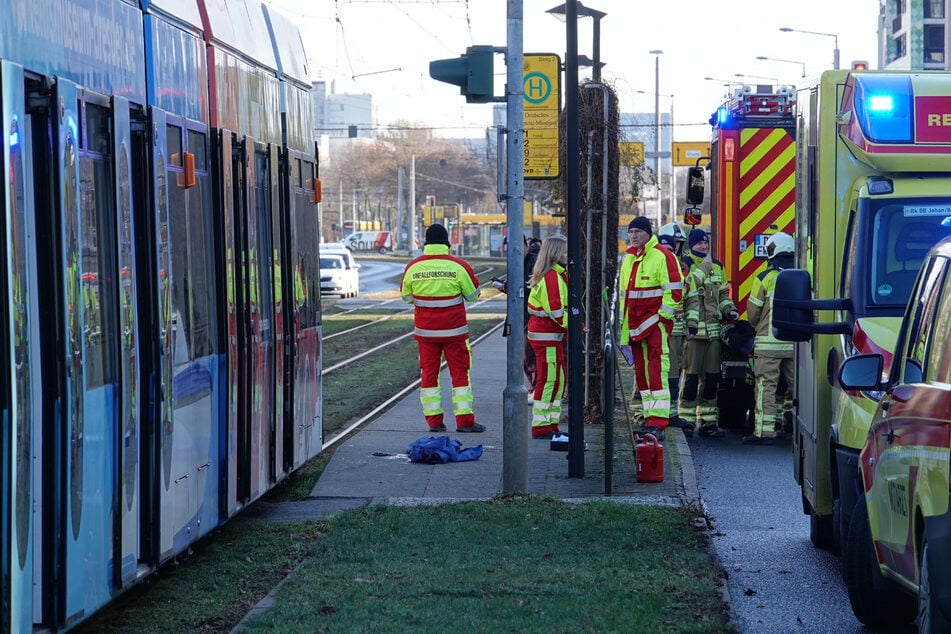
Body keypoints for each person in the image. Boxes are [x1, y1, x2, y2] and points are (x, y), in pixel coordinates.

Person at [401, 223, 484, 433]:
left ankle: (434, 422)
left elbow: (406, 297)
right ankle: (465, 421)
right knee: (460, 375)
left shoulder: (413, 267)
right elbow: (473, 295)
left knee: (429, 375)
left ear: (426, 243)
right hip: (455, 332)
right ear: (447, 242)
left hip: (425, 333)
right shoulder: (459, 266)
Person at [618, 217, 684, 441]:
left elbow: (675, 292)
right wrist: (624, 328)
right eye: (630, 232)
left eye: (637, 231)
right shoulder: (628, 258)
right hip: (635, 328)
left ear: (648, 233)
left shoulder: (664, 256)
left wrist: (661, 319)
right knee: (643, 377)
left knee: (656, 374)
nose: (633, 235)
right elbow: (625, 298)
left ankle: (658, 423)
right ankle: (649, 418)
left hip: (655, 327)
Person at [678, 229, 738, 439]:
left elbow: (722, 294)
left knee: (712, 378)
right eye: (700, 243)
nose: (704, 246)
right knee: (691, 377)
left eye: (706, 243)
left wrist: (729, 309)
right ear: (691, 245)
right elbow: (690, 285)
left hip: (713, 332)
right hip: (694, 334)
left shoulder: (718, 266)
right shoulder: (684, 264)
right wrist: (704, 266)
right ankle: (686, 419)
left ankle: (708, 422)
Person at [744, 232, 795, 446]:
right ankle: (791, 427)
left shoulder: (764, 278)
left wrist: (757, 329)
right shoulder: (802, 275)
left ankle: (765, 433)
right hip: (795, 345)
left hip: (769, 344)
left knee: (767, 386)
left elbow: (753, 312)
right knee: (796, 388)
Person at [526, 234, 569, 439]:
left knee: (558, 378)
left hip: (550, 337)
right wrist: (578, 325)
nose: (568, 256)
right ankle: (541, 425)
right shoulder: (552, 276)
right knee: (550, 379)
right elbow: (557, 312)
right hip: (547, 337)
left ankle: (550, 422)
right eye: (565, 251)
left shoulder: (554, 274)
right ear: (555, 253)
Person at [656, 222, 692, 436]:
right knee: (653, 372)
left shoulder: (683, 267)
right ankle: (643, 414)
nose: (676, 248)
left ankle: (670, 413)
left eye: (678, 244)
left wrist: (691, 323)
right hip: (656, 327)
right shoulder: (655, 262)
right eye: (673, 244)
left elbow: (690, 297)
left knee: (673, 374)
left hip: (676, 331)